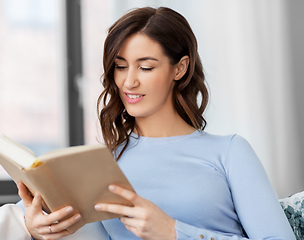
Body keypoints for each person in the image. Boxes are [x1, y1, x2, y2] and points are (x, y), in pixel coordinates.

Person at [18, 6, 296, 240]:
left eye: (146, 67)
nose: (129, 82)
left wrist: (175, 232)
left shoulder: (229, 152)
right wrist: (35, 229)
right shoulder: (100, 163)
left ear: (180, 68)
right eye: (121, 66)